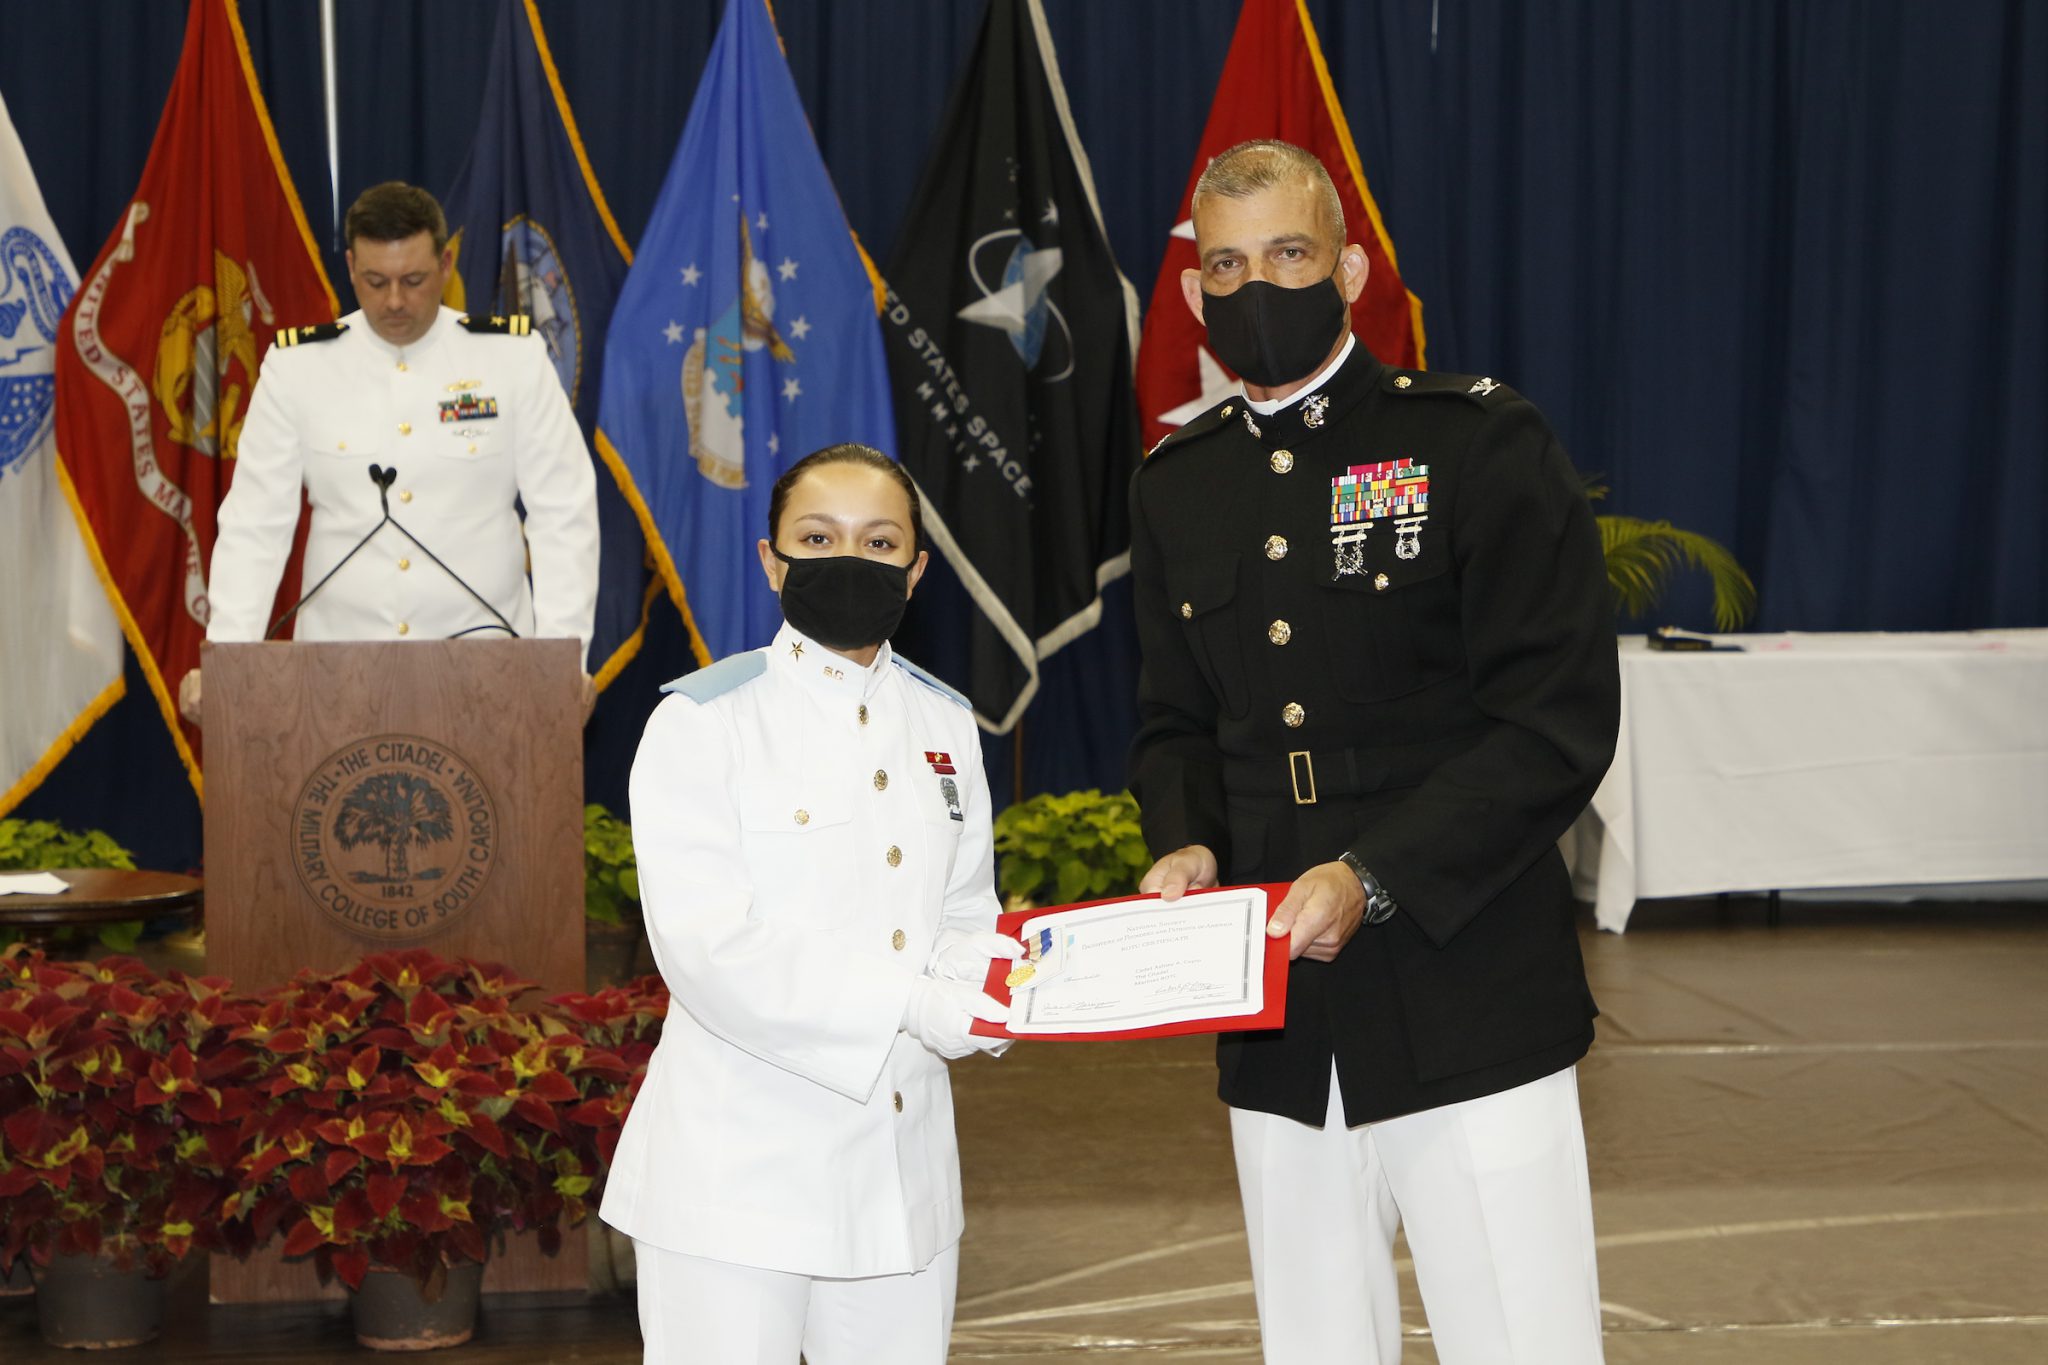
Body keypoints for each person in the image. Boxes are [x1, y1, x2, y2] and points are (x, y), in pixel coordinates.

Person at [1128, 139, 1620, 1364]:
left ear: (1347, 268)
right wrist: (1183, 840)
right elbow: (1176, 720)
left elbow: (1554, 721)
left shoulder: (1471, 443)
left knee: (1517, 1332)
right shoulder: (1176, 482)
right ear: (1191, 297)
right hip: (1275, 991)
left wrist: (1375, 875)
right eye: (1227, 265)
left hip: (1462, 971)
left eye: (1287, 255)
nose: (1257, 289)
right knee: (1313, 1338)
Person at [600, 443, 1018, 1364]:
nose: (848, 559)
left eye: (878, 542)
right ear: (770, 559)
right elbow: (711, 948)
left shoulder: (945, 722)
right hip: (738, 1177)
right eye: (818, 536)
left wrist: (993, 991)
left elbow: (963, 911)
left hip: (901, 1177)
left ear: (916, 570)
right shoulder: (705, 721)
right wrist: (915, 1001)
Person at [179, 181, 598, 721]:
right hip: (336, 674)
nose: (394, 300)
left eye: (413, 280)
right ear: (351, 267)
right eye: (375, 282)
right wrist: (229, 661)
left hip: (485, 668)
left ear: (446, 264)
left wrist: (562, 660)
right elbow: (255, 526)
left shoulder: (511, 359)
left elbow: (563, 514)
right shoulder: (299, 368)